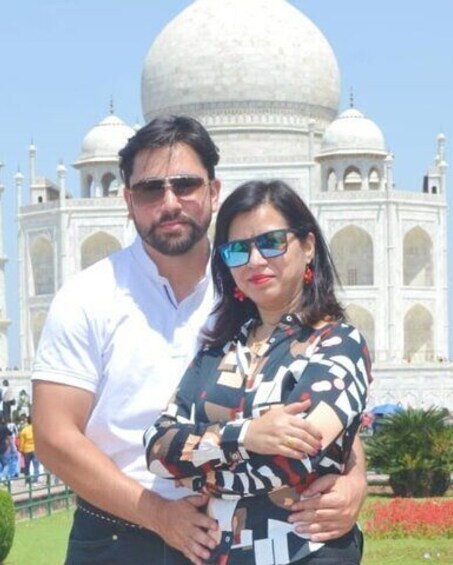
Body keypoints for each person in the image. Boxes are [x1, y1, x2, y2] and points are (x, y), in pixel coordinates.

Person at [33, 115, 368, 565]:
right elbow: (54, 436)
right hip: (119, 534)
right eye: (151, 190)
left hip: (233, 537)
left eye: (185, 185)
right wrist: (158, 514)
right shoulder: (88, 296)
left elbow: (316, 406)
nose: (170, 202)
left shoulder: (247, 287)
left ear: (213, 191)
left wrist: (354, 478)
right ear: (128, 200)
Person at [144, 179, 371, 564]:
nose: (254, 260)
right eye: (237, 250)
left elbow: (294, 460)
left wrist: (197, 465)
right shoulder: (219, 350)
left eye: (271, 242)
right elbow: (156, 449)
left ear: (308, 246)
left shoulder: (337, 344)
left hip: (304, 552)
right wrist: (250, 435)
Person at [18, 416, 39, 483]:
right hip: (35, 449)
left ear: (27, 421)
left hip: (26, 450)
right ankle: (35, 480)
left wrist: (21, 450)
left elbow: (22, 442)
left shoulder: (24, 430)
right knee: (36, 466)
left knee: (27, 466)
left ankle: (27, 480)